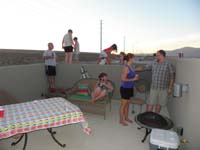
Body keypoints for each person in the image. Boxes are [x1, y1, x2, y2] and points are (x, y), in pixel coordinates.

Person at [120, 53, 139, 126]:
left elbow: (131, 77)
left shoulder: (130, 66)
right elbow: (123, 79)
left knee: (127, 104)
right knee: (123, 105)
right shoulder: (126, 67)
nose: (134, 59)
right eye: (134, 58)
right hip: (125, 88)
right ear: (130, 58)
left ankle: (126, 118)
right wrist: (133, 79)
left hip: (129, 88)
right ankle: (121, 120)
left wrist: (134, 80)